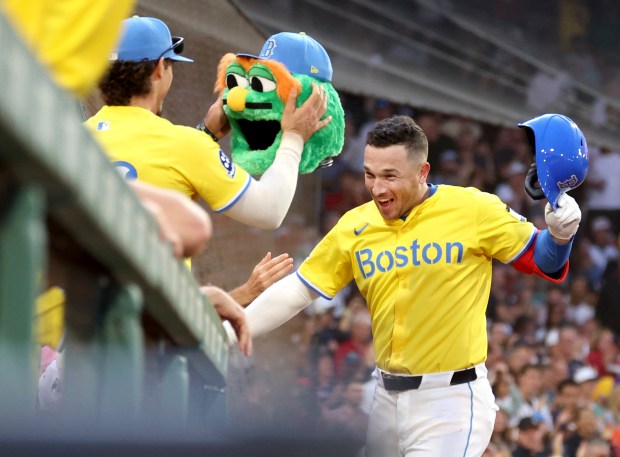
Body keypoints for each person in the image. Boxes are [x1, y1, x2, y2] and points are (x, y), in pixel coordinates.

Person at [227, 115, 582, 456]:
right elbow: (299, 290)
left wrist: (561, 235)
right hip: (385, 399)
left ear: (422, 171)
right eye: (369, 174)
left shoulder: (473, 208)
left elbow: (543, 259)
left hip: (451, 401)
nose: (377, 188)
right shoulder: (356, 225)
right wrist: (235, 330)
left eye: (390, 175)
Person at [85, 16, 330, 231]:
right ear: (160, 68)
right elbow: (269, 211)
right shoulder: (185, 146)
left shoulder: (78, 134)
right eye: (171, 66)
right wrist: (295, 135)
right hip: (147, 284)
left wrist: (207, 133)